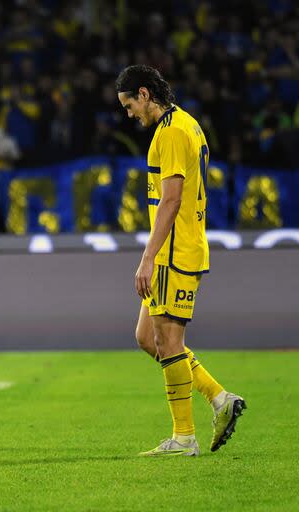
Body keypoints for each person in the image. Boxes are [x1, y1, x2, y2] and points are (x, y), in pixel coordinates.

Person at [115, 65, 246, 457]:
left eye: (128, 105)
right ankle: (220, 399)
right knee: (147, 338)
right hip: (183, 246)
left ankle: (184, 437)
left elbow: (171, 200)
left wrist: (147, 258)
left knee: (169, 341)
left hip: (174, 251)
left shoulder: (170, 132)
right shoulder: (187, 122)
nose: (129, 114)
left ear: (144, 93)